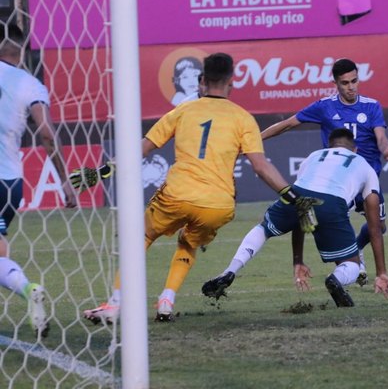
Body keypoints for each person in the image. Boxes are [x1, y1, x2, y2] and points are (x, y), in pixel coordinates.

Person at [79, 52, 319, 323]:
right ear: (232, 82)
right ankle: (167, 300)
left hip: (177, 195)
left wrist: (107, 169)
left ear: (202, 80)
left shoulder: (183, 110)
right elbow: (261, 167)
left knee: (140, 237)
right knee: (188, 242)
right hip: (218, 206)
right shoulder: (243, 118)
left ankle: (115, 304)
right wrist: (291, 195)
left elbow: (143, 148)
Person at [202, 128, 388, 306]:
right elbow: (375, 226)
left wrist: (298, 260)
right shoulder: (364, 165)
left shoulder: (314, 156)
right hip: (333, 203)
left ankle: (231, 270)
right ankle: (335, 279)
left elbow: (300, 209)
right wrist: (381, 273)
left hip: (299, 194)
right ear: (355, 149)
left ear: (329, 146)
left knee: (263, 229)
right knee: (351, 264)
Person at [260, 58, 388, 287]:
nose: (351, 87)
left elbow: (381, 138)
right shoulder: (324, 107)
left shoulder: (371, 106)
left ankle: (355, 250)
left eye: (354, 81)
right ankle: (351, 262)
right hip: (337, 182)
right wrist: (254, 140)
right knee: (329, 223)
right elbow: (286, 124)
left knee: (379, 227)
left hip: (366, 180)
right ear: (336, 83)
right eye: (345, 83)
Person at [0, 23, 77, 338]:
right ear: (21, 49)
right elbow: (46, 133)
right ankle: (29, 288)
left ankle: (28, 288)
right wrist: (65, 182)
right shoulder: (30, 84)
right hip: (9, 183)